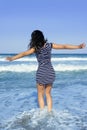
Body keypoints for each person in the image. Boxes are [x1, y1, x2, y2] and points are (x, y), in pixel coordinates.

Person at [6, 30, 86, 112]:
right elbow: (64, 46)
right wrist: (78, 47)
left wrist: (12, 58)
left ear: (34, 39)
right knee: (48, 94)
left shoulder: (35, 48)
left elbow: (23, 54)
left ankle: (42, 112)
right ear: (42, 37)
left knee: (40, 94)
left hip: (41, 72)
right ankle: (49, 112)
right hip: (50, 71)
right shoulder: (49, 45)